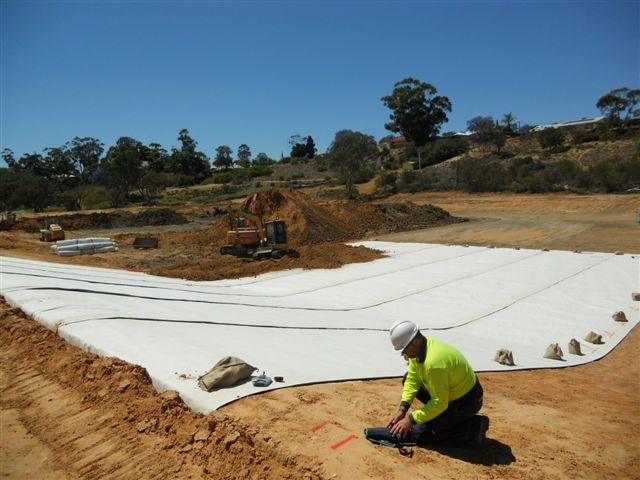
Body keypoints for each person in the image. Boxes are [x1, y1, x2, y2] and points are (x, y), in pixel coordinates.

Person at [387, 320, 489, 447]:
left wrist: (410, 420)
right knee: (407, 378)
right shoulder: (420, 349)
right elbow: (412, 379)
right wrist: (403, 408)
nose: (403, 354)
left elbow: (440, 402)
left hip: (467, 402)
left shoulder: (434, 363)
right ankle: (445, 419)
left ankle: (473, 426)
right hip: (449, 394)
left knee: (421, 434)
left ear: (416, 341)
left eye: (404, 349)